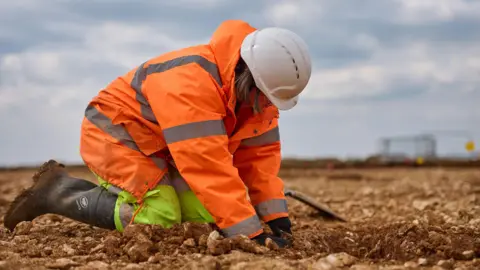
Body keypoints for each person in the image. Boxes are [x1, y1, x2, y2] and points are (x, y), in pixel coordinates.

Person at [3, 20, 312, 248]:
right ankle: (57, 193)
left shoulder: (258, 100)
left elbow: (258, 163)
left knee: (204, 211)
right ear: (249, 78)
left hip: (162, 147)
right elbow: (208, 168)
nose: (270, 107)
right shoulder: (192, 85)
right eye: (267, 98)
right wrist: (251, 236)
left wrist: (276, 219)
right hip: (114, 133)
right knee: (161, 214)